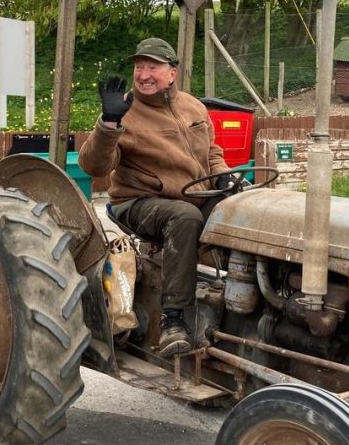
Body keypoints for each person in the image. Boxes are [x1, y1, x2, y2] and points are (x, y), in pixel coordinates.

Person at [79, 37, 239, 357]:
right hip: (139, 201)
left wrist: (224, 175)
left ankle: (238, 297)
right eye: (139, 67)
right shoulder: (124, 111)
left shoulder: (192, 106)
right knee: (185, 217)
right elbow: (93, 165)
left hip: (194, 193)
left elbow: (211, 150)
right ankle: (173, 321)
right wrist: (108, 123)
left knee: (244, 205)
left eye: (153, 67)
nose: (144, 74)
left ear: (172, 73)